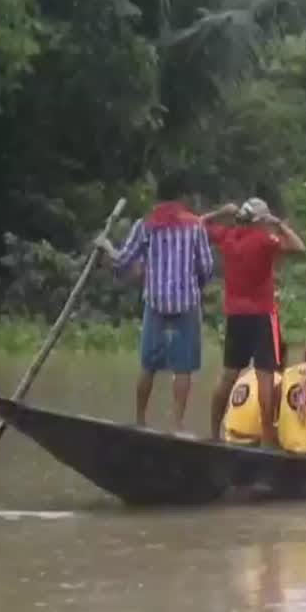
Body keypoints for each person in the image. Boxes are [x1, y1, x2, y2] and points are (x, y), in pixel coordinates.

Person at [94, 172, 229, 433]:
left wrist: (106, 246)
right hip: (186, 302)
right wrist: (194, 285)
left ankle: (140, 420)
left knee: (148, 365)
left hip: (156, 303)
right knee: (184, 367)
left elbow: (122, 263)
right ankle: (177, 424)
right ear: (182, 196)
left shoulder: (145, 225)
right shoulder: (194, 226)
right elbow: (206, 267)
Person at [207, 195, 306, 446]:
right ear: (260, 220)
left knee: (229, 374)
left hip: (235, 315)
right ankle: (268, 437)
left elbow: (198, 226)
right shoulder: (264, 240)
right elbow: (298, 247)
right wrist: (279, 225)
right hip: (262, 314)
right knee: (265, 376)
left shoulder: (227, 237)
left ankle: (212, 433)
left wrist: (219, 213)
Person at [221, 340, 289, 446]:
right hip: (254, 441)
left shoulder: (244, 376)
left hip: (230, 436)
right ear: (283, 359)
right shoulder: (280, 381)